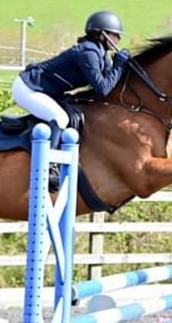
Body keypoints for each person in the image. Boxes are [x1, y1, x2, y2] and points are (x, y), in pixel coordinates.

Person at [11, 10, 132, 189]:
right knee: (60, 118)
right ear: (102, 33)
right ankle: (48, 167)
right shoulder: (88, 52)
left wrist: (120, 67)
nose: (118, 40)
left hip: (47, 90)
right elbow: (102, 89)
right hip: (28, 88)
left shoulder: (100, 53)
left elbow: (110, 83)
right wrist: (119, 65)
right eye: (115, 35)